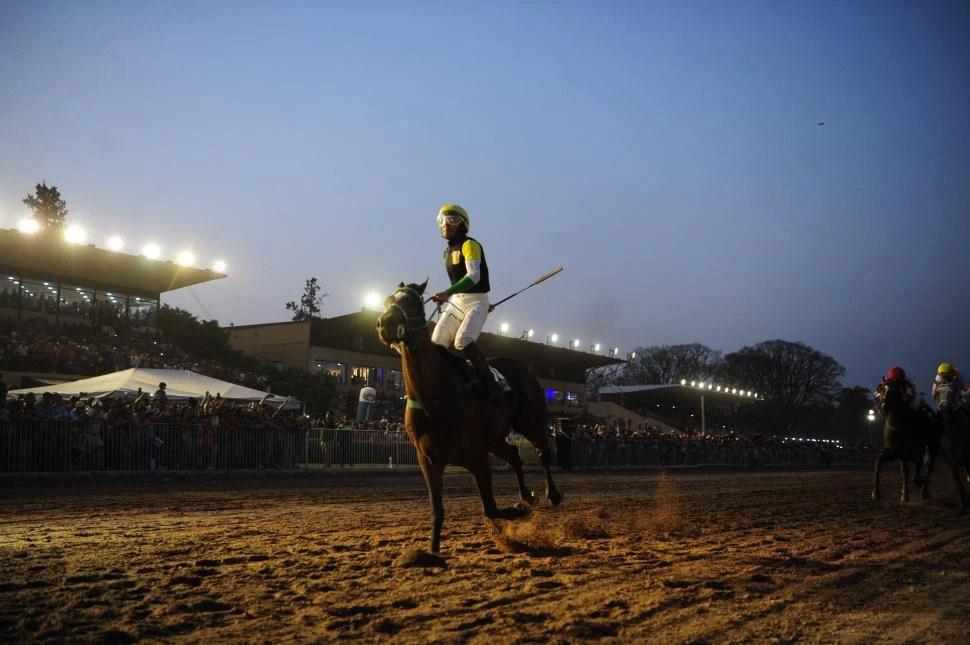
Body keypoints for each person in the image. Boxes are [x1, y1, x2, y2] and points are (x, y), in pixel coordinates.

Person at [429, 204, 502, 400]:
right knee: (436, 344)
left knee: (463, 341)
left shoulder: (470, 245)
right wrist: (450, 295)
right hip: (456, 302)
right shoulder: (446, 252)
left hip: (477, 302)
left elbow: (474, 276)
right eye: (442, 221)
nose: (445, 225)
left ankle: (492, 382)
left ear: (463, 224)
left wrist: (447, 292)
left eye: (452, 220)